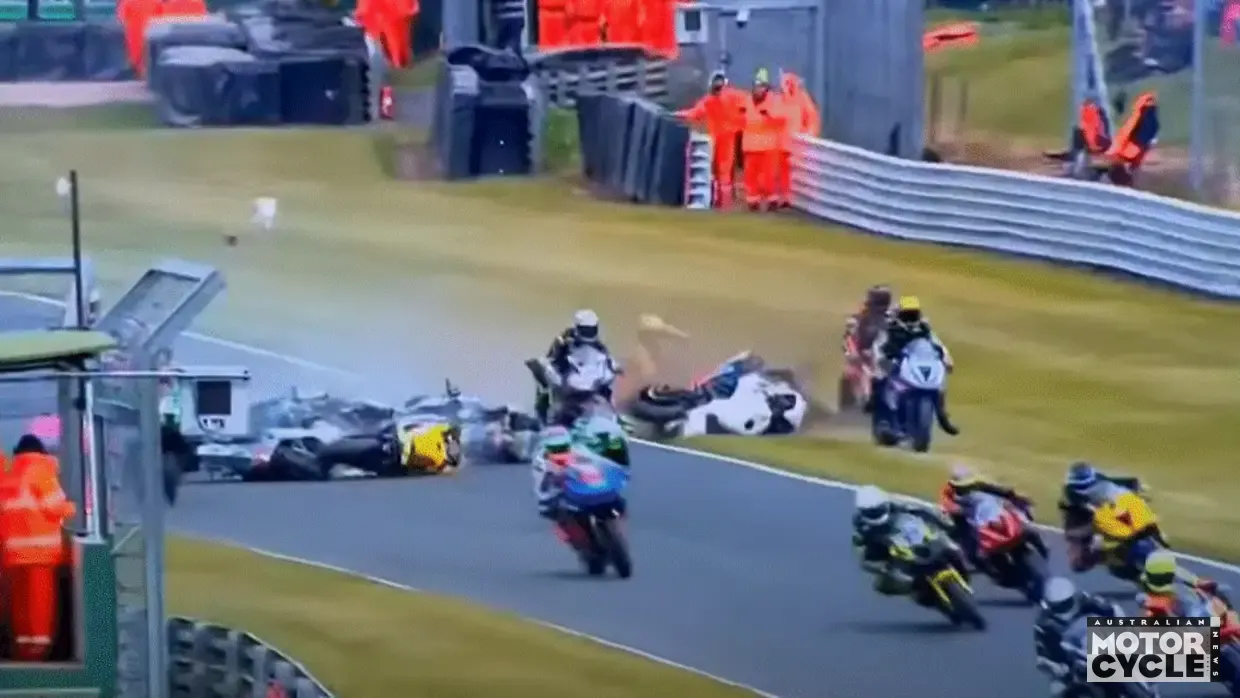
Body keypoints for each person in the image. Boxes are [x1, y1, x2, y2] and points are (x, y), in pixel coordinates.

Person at [0, 435, 76, 662]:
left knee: (20, 605)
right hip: (40, 554)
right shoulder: (42, 471)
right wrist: (74, 508)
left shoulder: (10, 476)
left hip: (13, 553)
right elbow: (54, 507)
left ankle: (22, 648)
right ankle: (38, 651)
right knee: (39, 605)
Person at [852, 485, 965, 597]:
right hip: (889, 545)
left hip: (908, 532)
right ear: (862, 511)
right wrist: (880, 566)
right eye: (870, 511)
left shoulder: (895, 503)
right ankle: (916, 589)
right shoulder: (860, 523)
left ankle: (957, 557)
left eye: (877, 509)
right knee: (881, 585)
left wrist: (942, 520)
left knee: (944, 536)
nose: (874, 512)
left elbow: (921, 508)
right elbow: (862, 551)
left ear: (884, 503)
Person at [869, 296, 957, 433]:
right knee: (880, 378)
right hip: (896, 363)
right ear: (900, 314)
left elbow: (937, 344)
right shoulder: (891, 328)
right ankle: (879, 411)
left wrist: (947, 358)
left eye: (913, 314)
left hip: (918, 363)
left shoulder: (924, 328)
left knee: (939, 382)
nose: (910, 318)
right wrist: (881, 358)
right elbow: (878, 345)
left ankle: (942, 415)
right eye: (907, 314)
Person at [939, 465, 1044, 569]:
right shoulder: (949, 495)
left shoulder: (978, 485)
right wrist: (958, 511)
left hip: (996, 515)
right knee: (975, 554)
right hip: (973, 525)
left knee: (1028, 529)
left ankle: (1043, 549)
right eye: (963, 486)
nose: (966, 488)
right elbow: (948, 508)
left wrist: (1014, 495)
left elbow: (1000, 490)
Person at [1034, 577, 1121, 696]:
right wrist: (1056, 667)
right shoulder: (1044, 623)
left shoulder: (1088, 601)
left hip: (1100, 642)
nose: (1063, 607)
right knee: (1058, 689)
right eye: (1058, 605)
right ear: (1049, 604)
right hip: (1071, 660)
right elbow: (1042, 657)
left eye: (1065, 603)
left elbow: (1113, 610)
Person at [676, 71, 747, 208]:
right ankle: (722, 202)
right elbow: (695, 113)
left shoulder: (719, 98)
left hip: (727, 138)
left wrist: (678, 114)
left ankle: (723, 203)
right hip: (725, 137)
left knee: (722, 173)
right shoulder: (726, 97)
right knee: (722, 173)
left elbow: (694, 113)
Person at [537, 310, 614, 422]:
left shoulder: (600, 348)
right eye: (585, 329)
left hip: (590, 385)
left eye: (590, 329)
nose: (588, 332)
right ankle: (543, 414)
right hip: (568, 384)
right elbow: (550, 359)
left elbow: (608, 362)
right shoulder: (564, 342)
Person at [741, 69, 786, 211]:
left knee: (769, 176)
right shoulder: (746, 100)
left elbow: (781, 119)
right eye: (756, 86)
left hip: (768, 145)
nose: (758, 89)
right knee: (750, 176)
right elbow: (740, 118)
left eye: (761, 86)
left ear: (766, 87)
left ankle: (771, 200)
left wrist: (769, 115)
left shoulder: (775, 100)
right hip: (750, 145)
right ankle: (752, 201)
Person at [775, 71, 820, 208]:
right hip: (780, 143)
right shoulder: (780, 98)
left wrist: (807, 135)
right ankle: (783, 197)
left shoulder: (802, 98)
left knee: (799, 172)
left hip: (796, 143)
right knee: (781, 172)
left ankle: (799, 198)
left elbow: (811, 118)